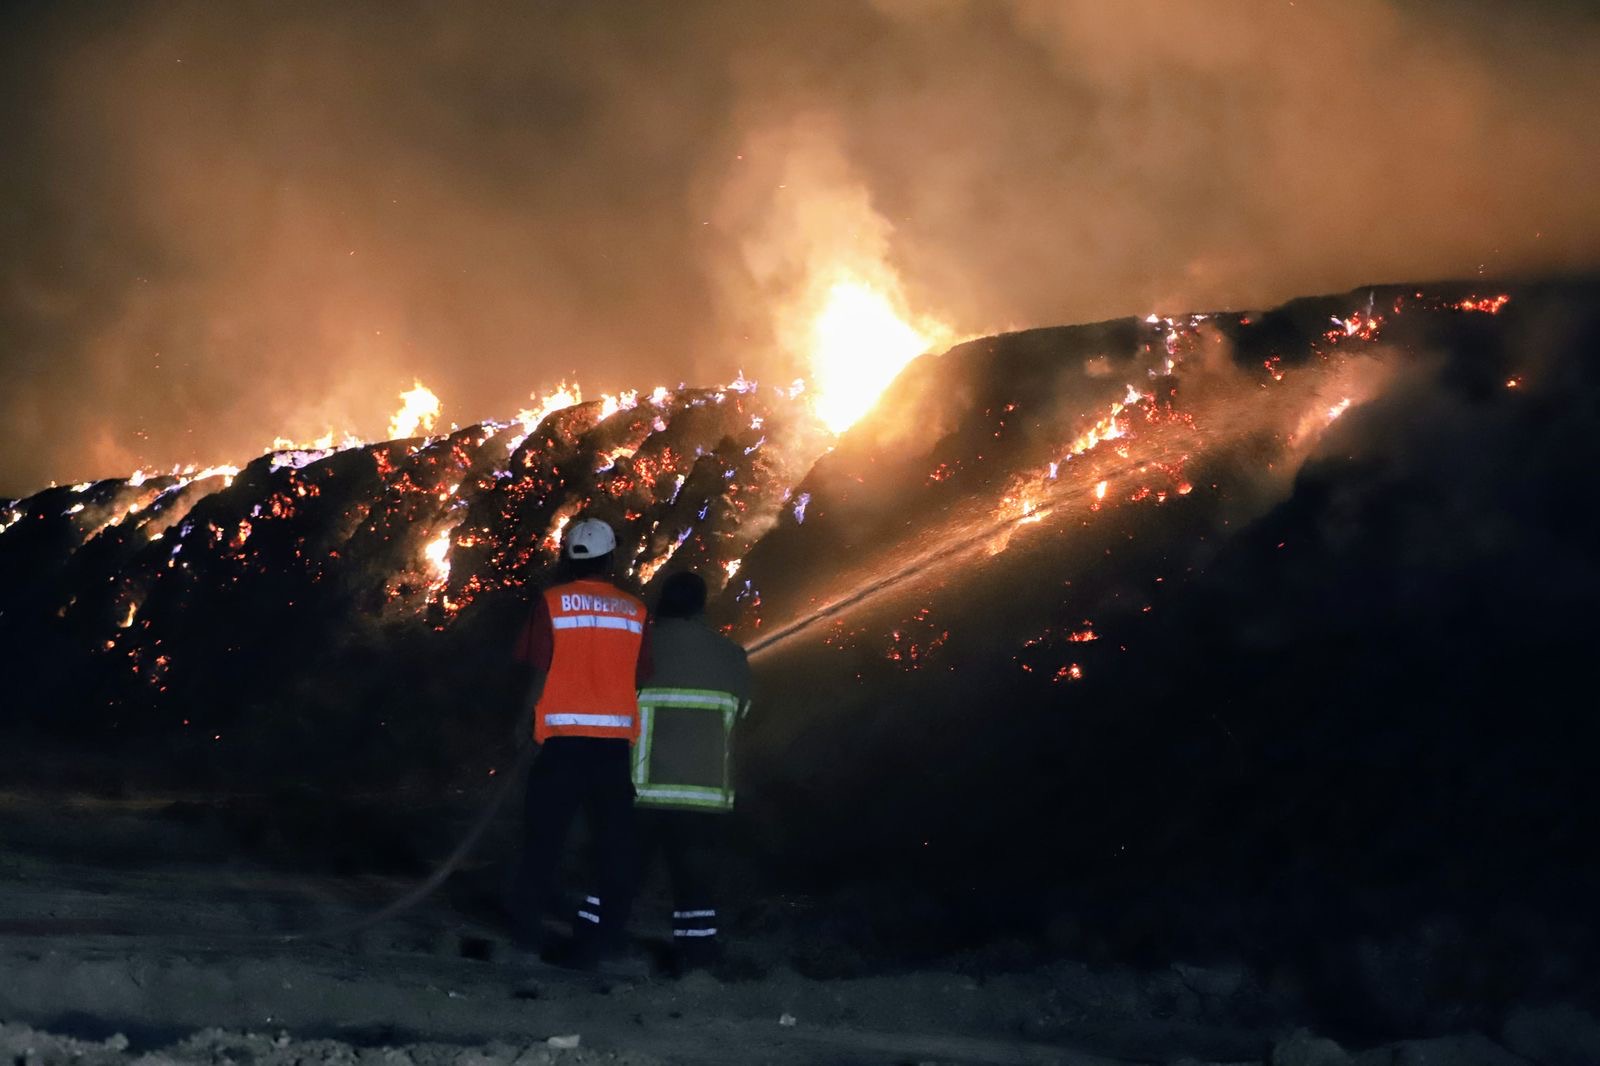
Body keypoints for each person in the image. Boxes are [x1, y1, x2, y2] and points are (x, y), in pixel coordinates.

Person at [510, 516, 651, 967]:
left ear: (568, 558)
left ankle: (527, 937)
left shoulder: (551, 602)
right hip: (611, 749)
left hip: (561, 744)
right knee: (613, 846)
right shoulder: (635, 610)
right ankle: (604, 940)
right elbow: (642, 676)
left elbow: (537, 669)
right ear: (611, 560)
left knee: (543, 839)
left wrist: (523, 722)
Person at [628, 570, 752, 971]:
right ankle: (697, 960)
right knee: (695, 886)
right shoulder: (731, 654)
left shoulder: (638, 647)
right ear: (701, 608)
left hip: (644, 789)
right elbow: (743, 711)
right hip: (704, 793)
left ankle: (594, 945)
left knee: (620, 873)